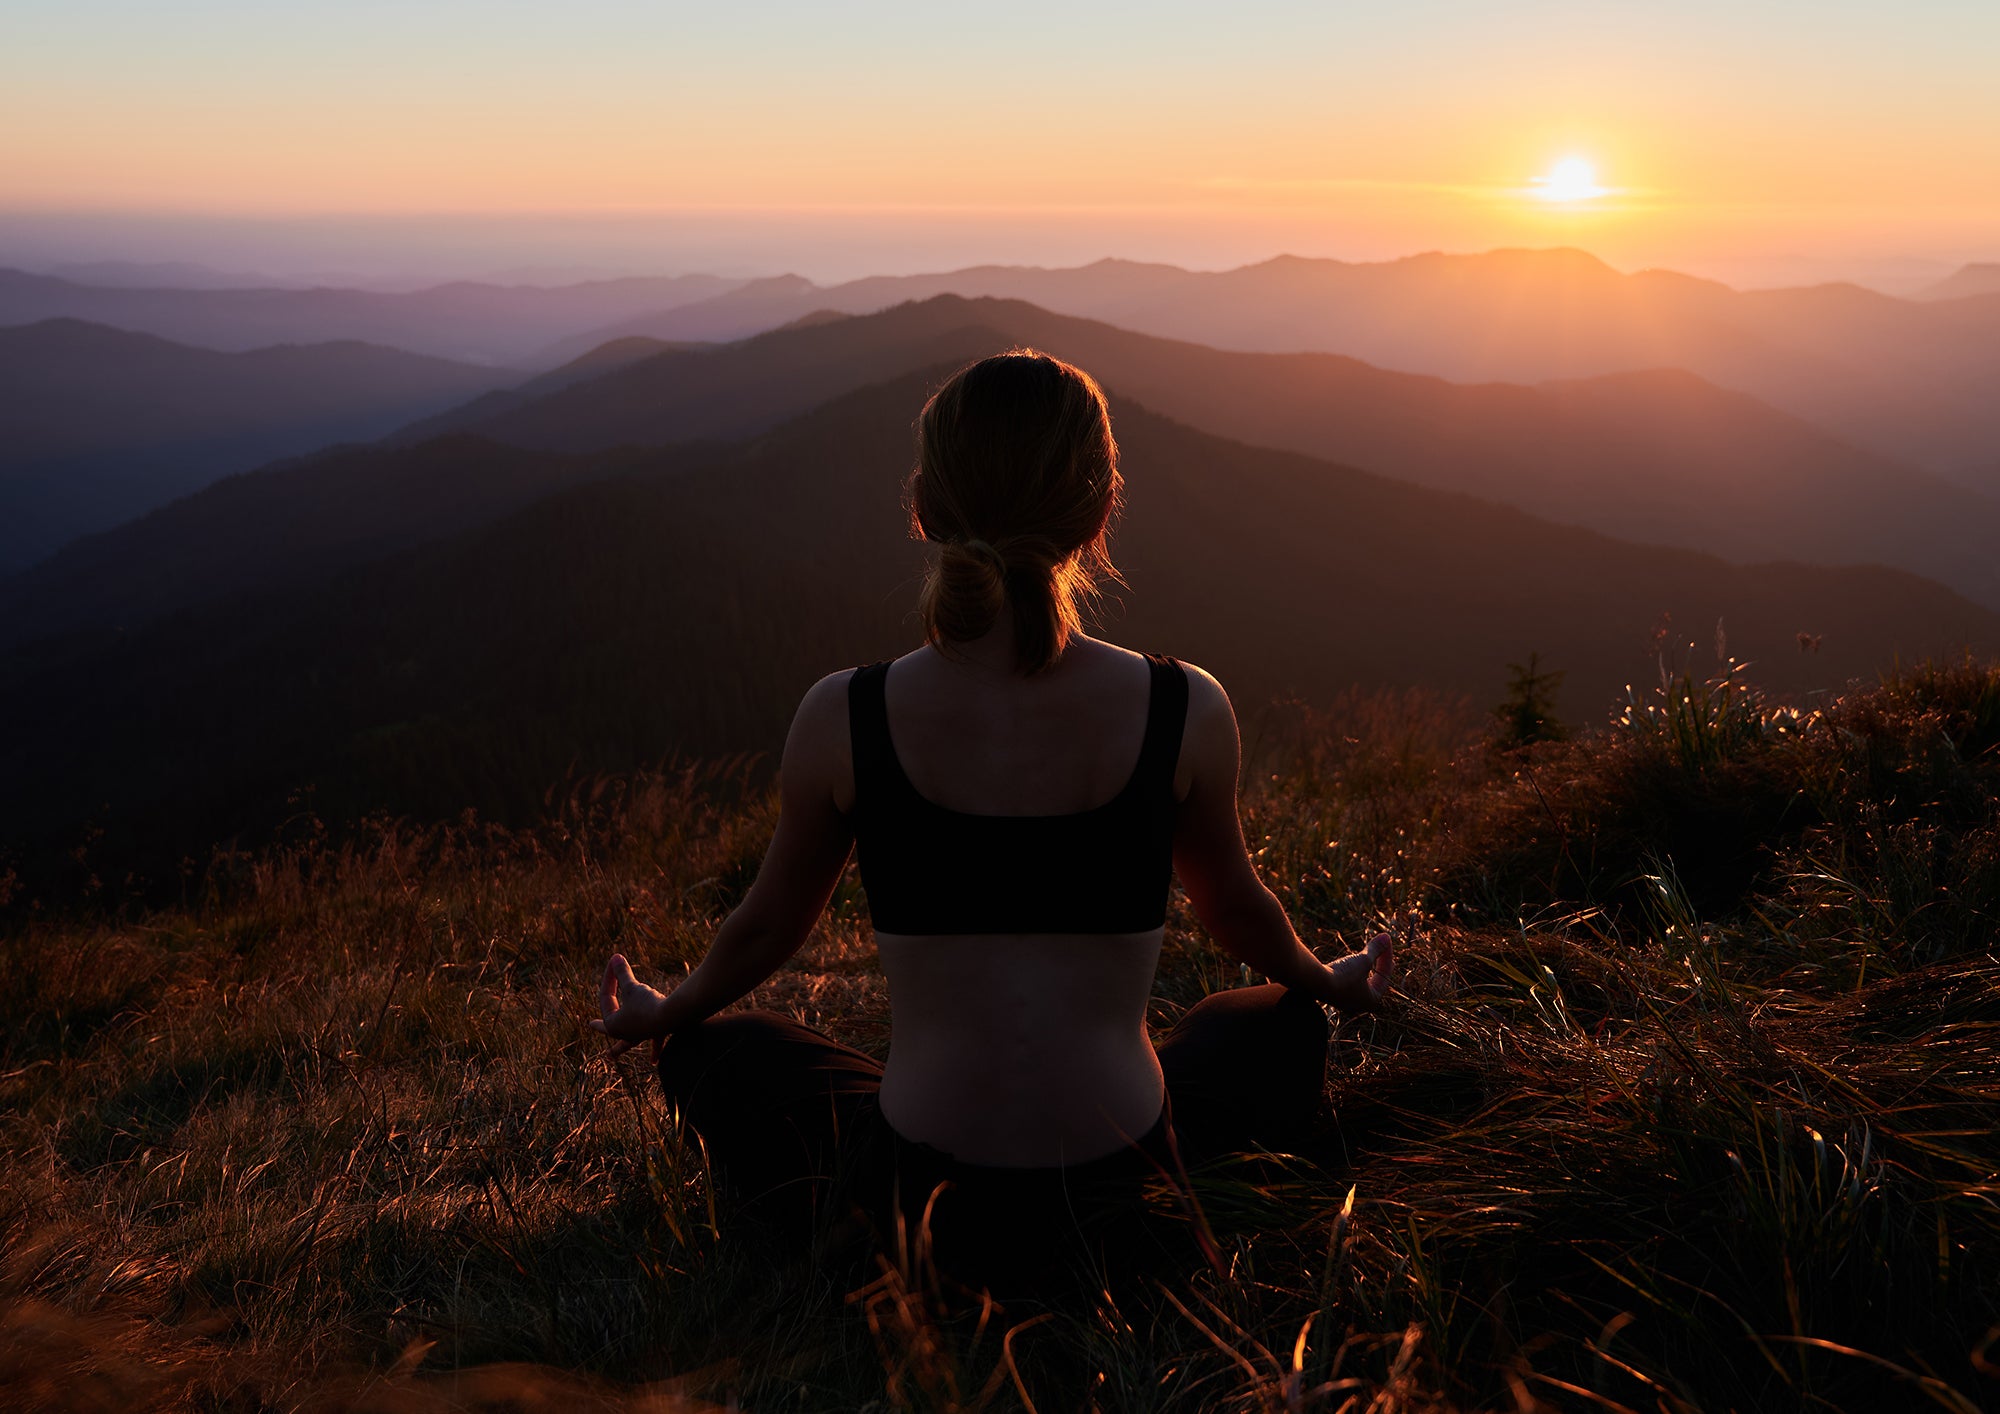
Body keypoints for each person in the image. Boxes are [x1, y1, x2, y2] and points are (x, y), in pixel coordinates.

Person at [591, 350, 1393, 1291]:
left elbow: (769, 925)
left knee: (720, 1052)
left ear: (926, 507)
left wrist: (667, 1011)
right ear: (1099, 516)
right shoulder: (1187, 707)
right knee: (1272, 1023)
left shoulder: (845, 715)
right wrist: (1324, 982)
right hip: (1123, 1174)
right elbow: (1238, 910)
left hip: (923, 1194)